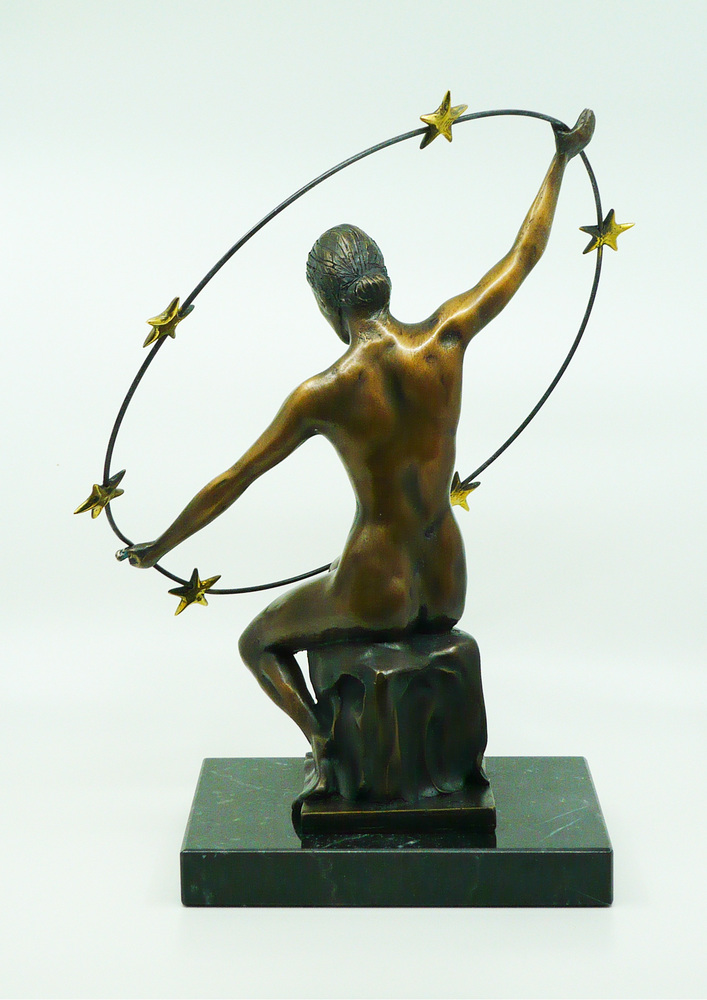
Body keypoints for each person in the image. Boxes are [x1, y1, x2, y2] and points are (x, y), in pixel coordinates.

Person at [118, 109, 595, 785]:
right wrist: (560, 161)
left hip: (377, 585)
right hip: (448, 576)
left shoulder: (324, 393)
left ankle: (325, 741)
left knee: (257, 643)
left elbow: (236, 478)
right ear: (383, 279)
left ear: (326, 304)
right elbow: (523, 255)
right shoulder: (446, 337)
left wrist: (160, 546)